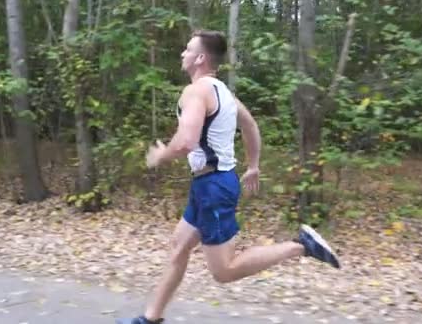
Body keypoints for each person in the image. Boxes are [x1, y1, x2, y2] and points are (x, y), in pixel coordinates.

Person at [117, 30, 340, 324]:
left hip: (213, 187)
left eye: (187, 49)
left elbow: (186, 141)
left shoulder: (196, 91)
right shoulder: (223, 92)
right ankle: (151, 318)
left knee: (224, 271)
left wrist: (162, 155)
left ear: (200, 58)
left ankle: (300, 246)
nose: (182, 54)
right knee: (178, 246)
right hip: (208, 184)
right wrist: (253, 165)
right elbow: (249, 125)